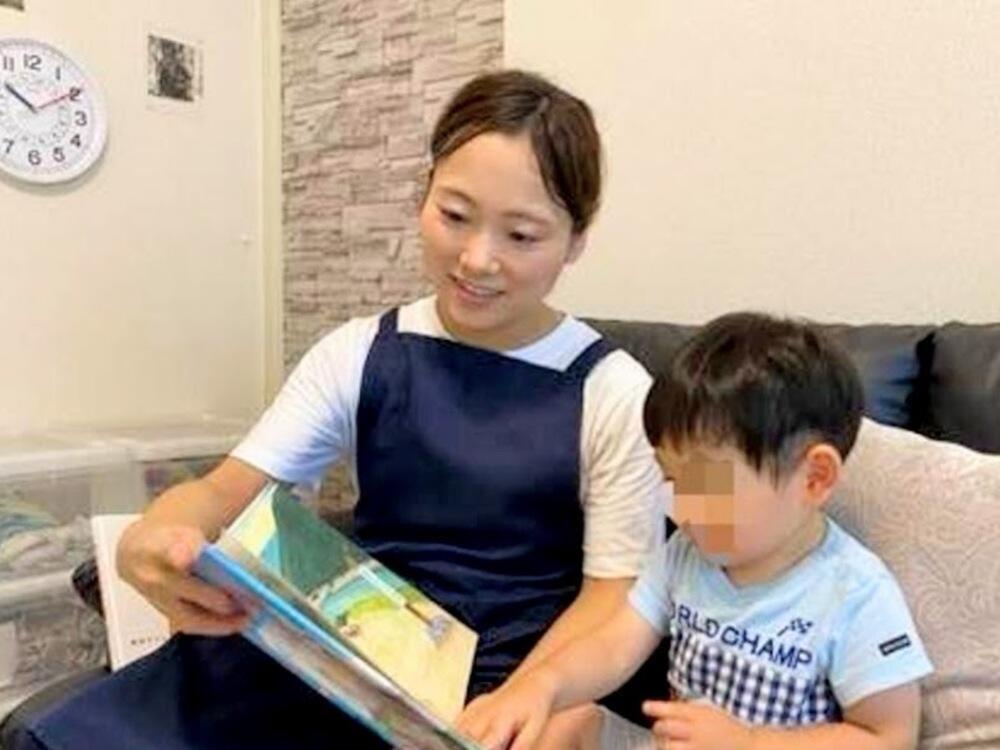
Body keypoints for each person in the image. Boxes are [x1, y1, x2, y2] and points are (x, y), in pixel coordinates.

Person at [15, 70, 666, 750]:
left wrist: (526, 696)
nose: (478, 259)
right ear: (424, 194)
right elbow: (224, 491)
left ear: (576, 239)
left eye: (523, 236)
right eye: (454, 216)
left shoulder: (615, 391)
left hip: (504, 681)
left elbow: (613, 596)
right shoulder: (359, 351)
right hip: (348, 648)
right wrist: (154, 535)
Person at [457, 312, 934, 750]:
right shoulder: (687, 551)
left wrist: (750, 743)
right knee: (569, 721)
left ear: (814, 478)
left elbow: (888, 737)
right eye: (672, 481)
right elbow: (615, 647)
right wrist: (541, 685)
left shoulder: (856, 593)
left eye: (710, 486)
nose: (683, 509)